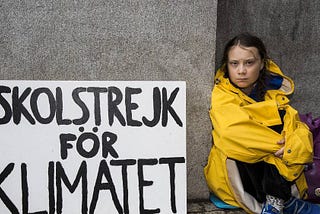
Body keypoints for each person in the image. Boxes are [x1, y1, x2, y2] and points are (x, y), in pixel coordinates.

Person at [204, 33, 320, 214]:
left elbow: (300, 131)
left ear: (262, 63)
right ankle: (279, 202)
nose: (241, 70)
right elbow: (231, 133)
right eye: (234, 63)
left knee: (283, 126)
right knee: (253, 139)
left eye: (249, 63)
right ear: (227, 65)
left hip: (273, 176)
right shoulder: (222, 93)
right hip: (241, 176)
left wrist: (292, 145)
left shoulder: (273, 92)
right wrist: (284, 147)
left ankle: (280, 202)